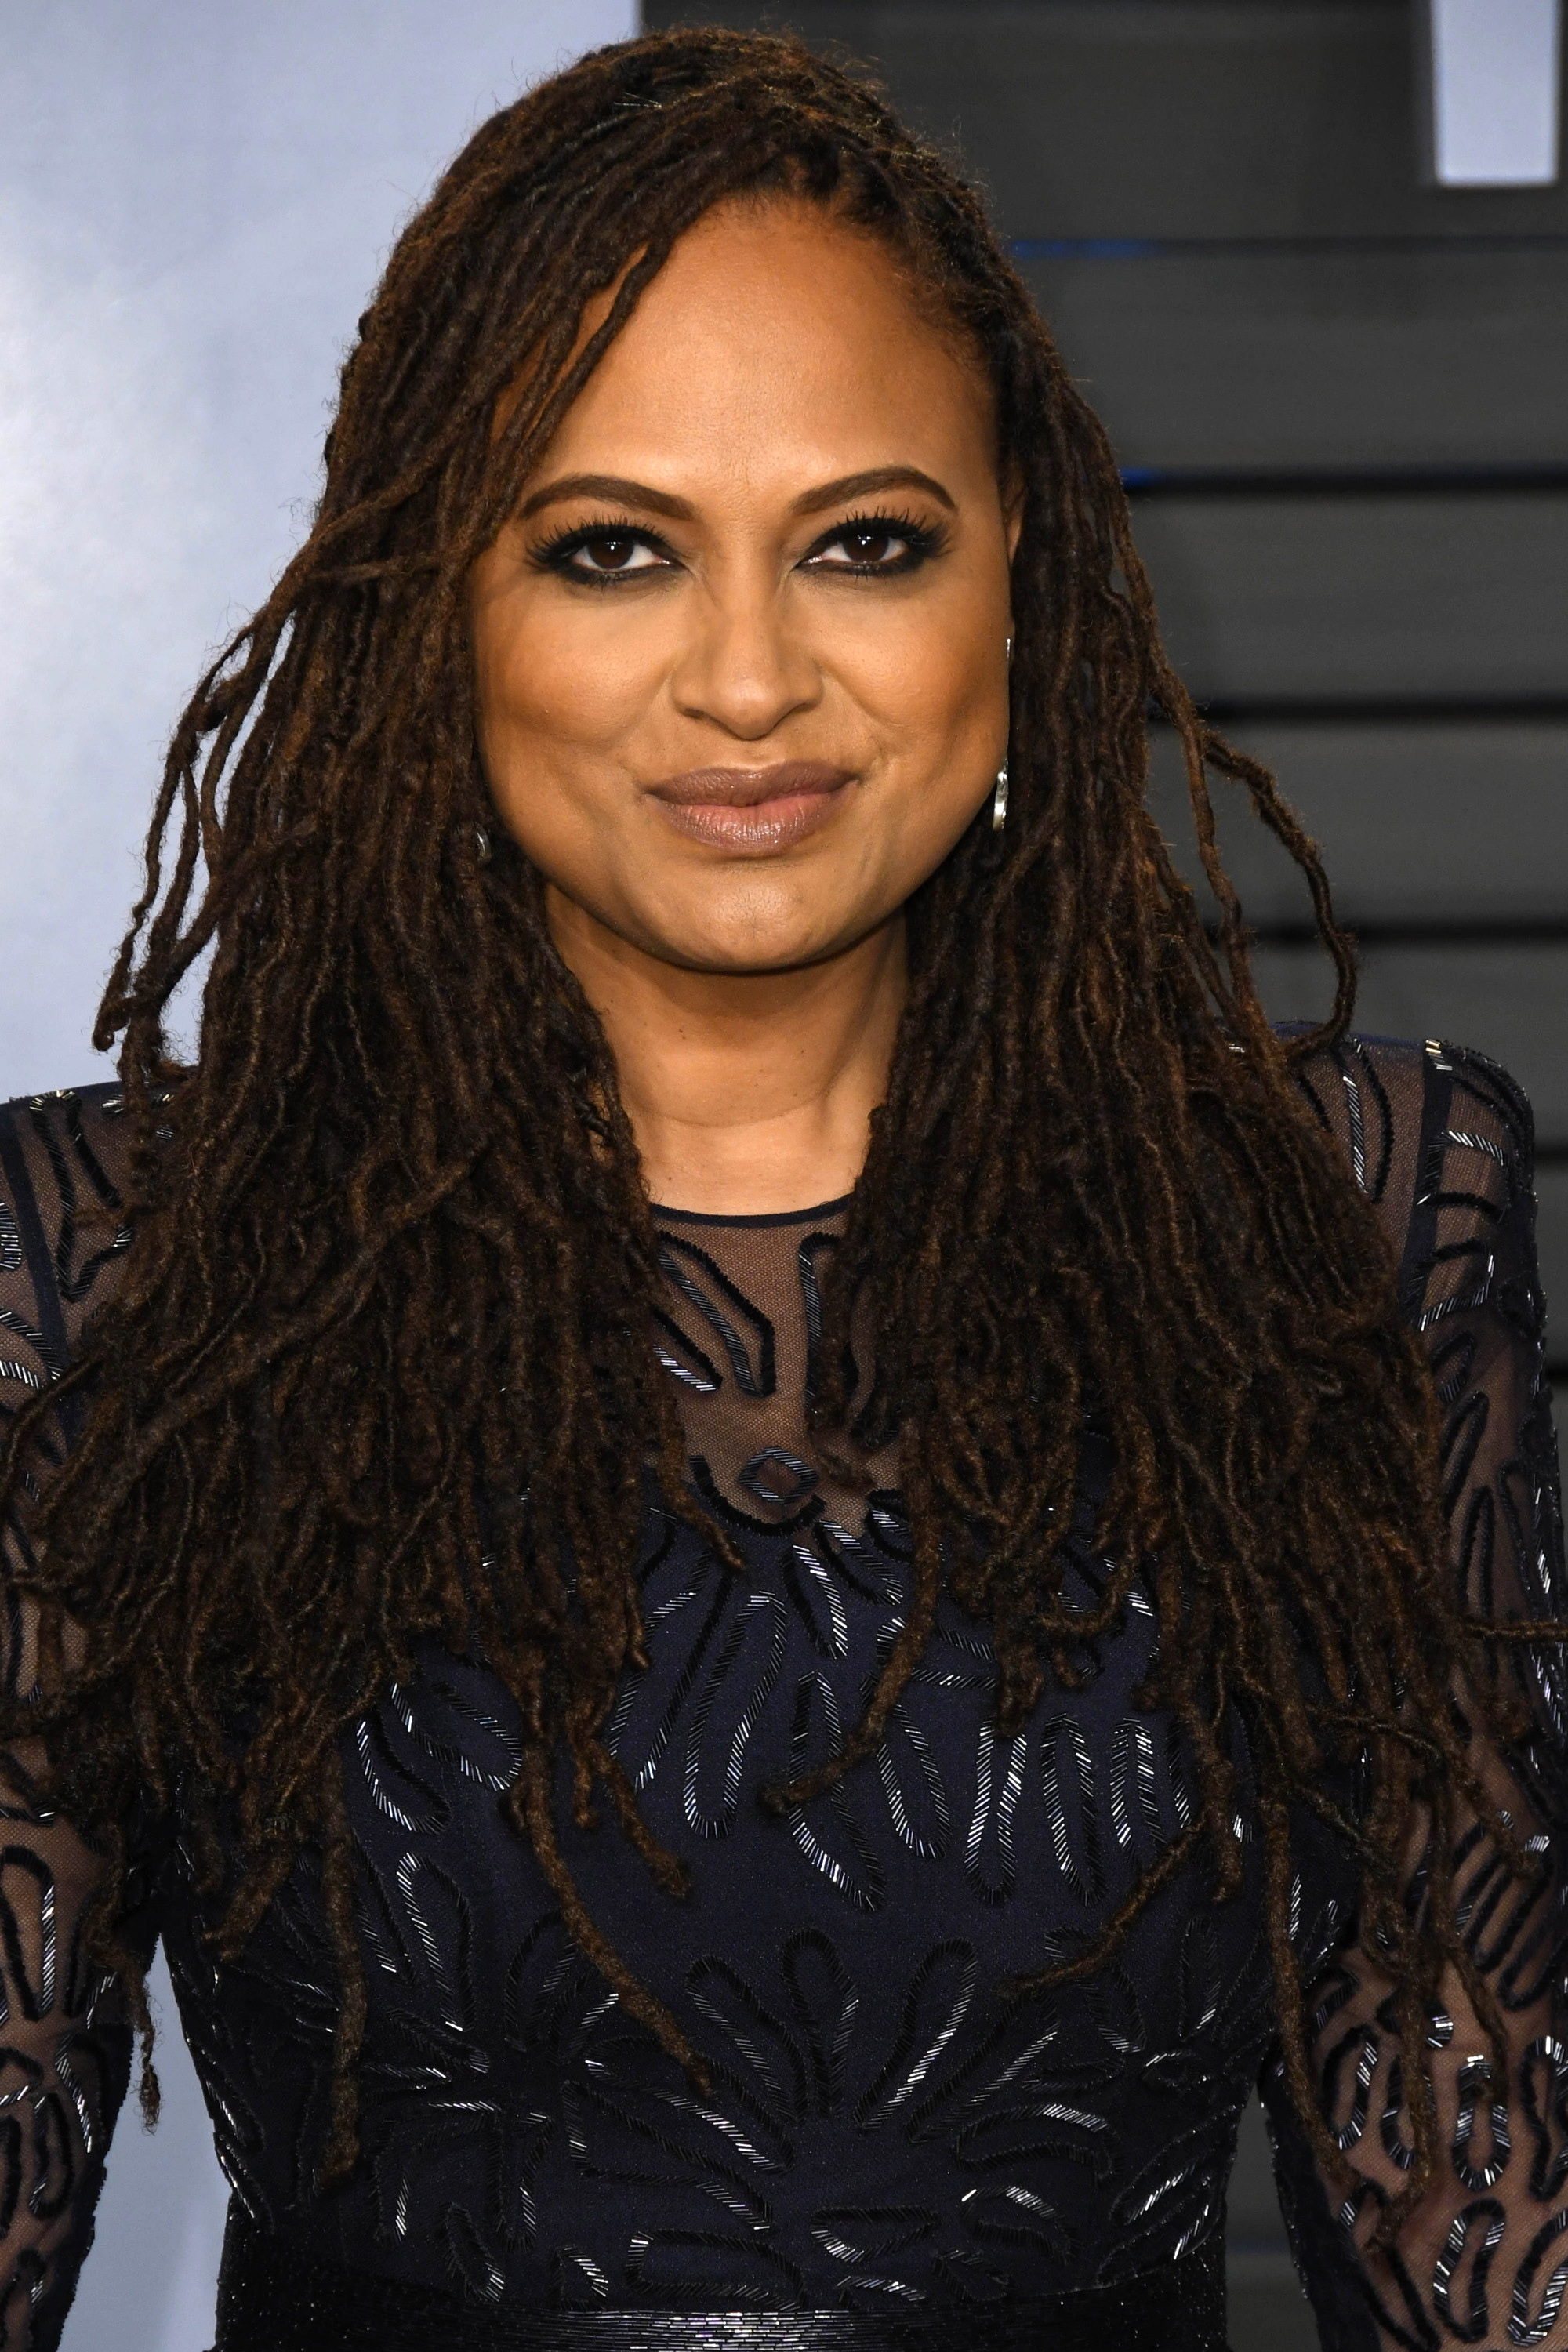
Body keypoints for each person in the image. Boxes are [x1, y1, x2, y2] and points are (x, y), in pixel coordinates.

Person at [0, 25, 1562, 2352]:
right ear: (441, 615)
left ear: (1019, 583)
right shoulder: (108, 1270)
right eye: (613, 550)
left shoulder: (1345, 1225)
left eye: (865, 543)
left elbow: (1478, 2183)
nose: (749, 679)